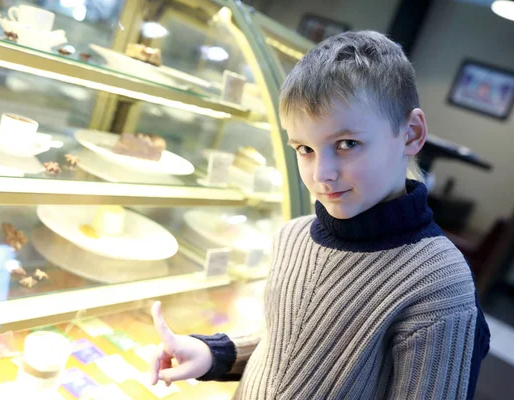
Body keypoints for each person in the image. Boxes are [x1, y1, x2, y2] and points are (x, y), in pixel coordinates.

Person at [149, 30, 491, 399]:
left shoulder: (438, 283)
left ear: (411, 134)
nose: (320, 174)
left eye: (346, 144)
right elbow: (288, 346)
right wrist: (213, 353)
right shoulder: (293, 235)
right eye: (304, 148)